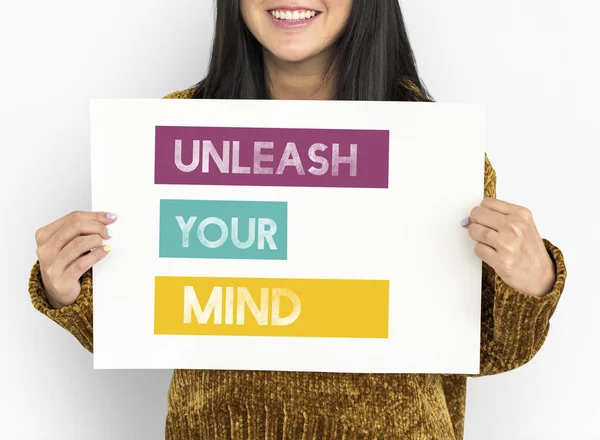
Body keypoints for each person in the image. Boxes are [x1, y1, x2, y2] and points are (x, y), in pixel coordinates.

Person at [29, 0, 567, 439]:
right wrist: (65, 287)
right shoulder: (171, 129)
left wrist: (532, 279)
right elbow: (151, 326)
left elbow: (487, 349)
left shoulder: (436, 148)